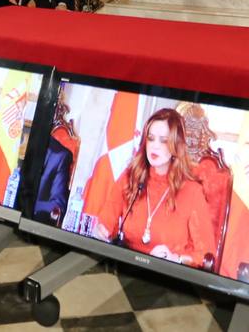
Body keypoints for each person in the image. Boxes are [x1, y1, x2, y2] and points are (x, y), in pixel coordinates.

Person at [92, 108, 215, 266]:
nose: (154, 146)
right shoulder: (132, 176)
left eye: (163, 140)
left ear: (176, 146)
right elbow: (108, 218)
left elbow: (206, 256)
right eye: (151, 138)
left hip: (165, 277)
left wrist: (175, 258)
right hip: (125, 266)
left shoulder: (192, 192)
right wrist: (102, 229)